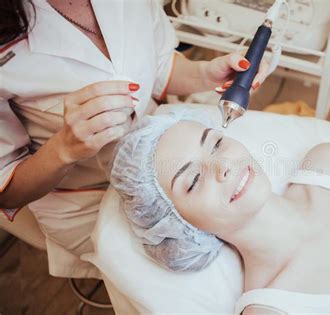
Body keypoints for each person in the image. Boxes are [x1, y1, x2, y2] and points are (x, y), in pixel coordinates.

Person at [0, 0, 268, 278]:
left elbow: (160, 64)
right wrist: (65, 149)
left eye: (215, 143)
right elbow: (7, 191)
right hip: (86, 198)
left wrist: (204, 74)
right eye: (194, 180)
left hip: (162, 156)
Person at [110, 109, 330, 314]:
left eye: (216, 143)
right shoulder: (271, 310)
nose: (222, 166)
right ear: (179, 226)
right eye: (192, 181)